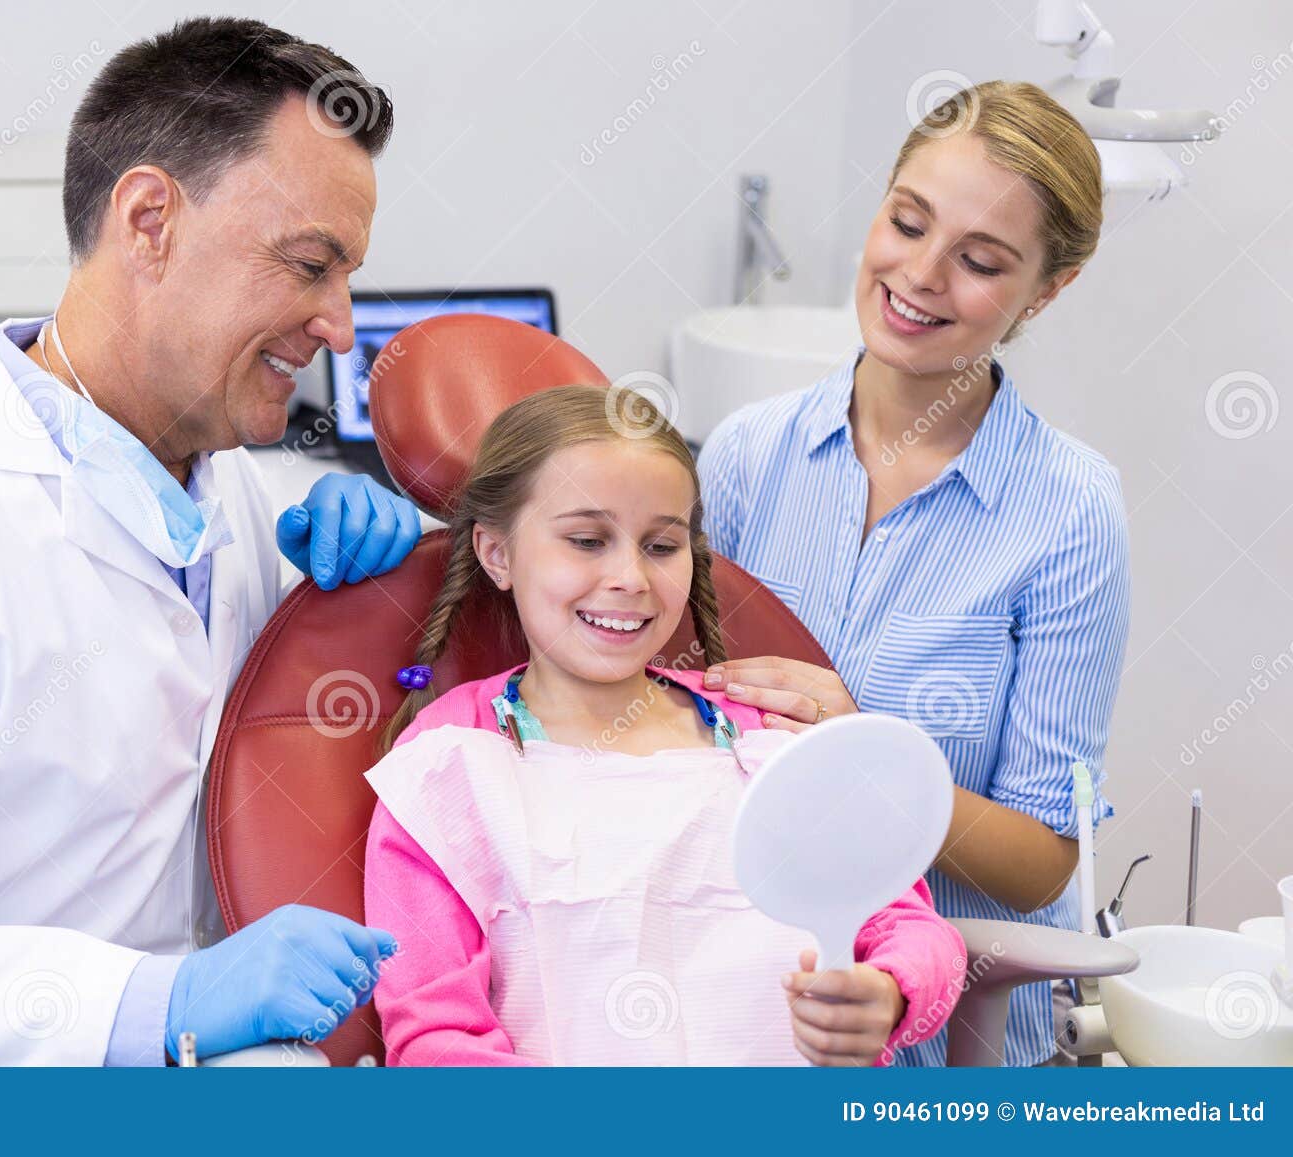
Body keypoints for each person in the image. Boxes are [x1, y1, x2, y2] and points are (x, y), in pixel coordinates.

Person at [0, 17, 418, 1066]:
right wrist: (161, 998)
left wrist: (398, 559)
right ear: (150, 220)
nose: (338, 323)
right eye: (309, 265)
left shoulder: (229, 480)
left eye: (346, 276)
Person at [697, 81, 1129, 1066]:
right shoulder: (744, 457)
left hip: (945, 1046)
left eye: (979, 261)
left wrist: (864, 752)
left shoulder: (1067, 514)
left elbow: (1036, 866)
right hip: (740, 1008)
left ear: (1045, 290)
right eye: (906, 222)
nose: (921, 275)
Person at [362, 386, 965, 1065]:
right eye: (587, 540)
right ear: (496, 553)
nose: (630, 577)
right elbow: (437, 1042)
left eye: (661, 545)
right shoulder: (448, 767)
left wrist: (888, 992)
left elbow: (913, 926)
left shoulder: (769, 735)